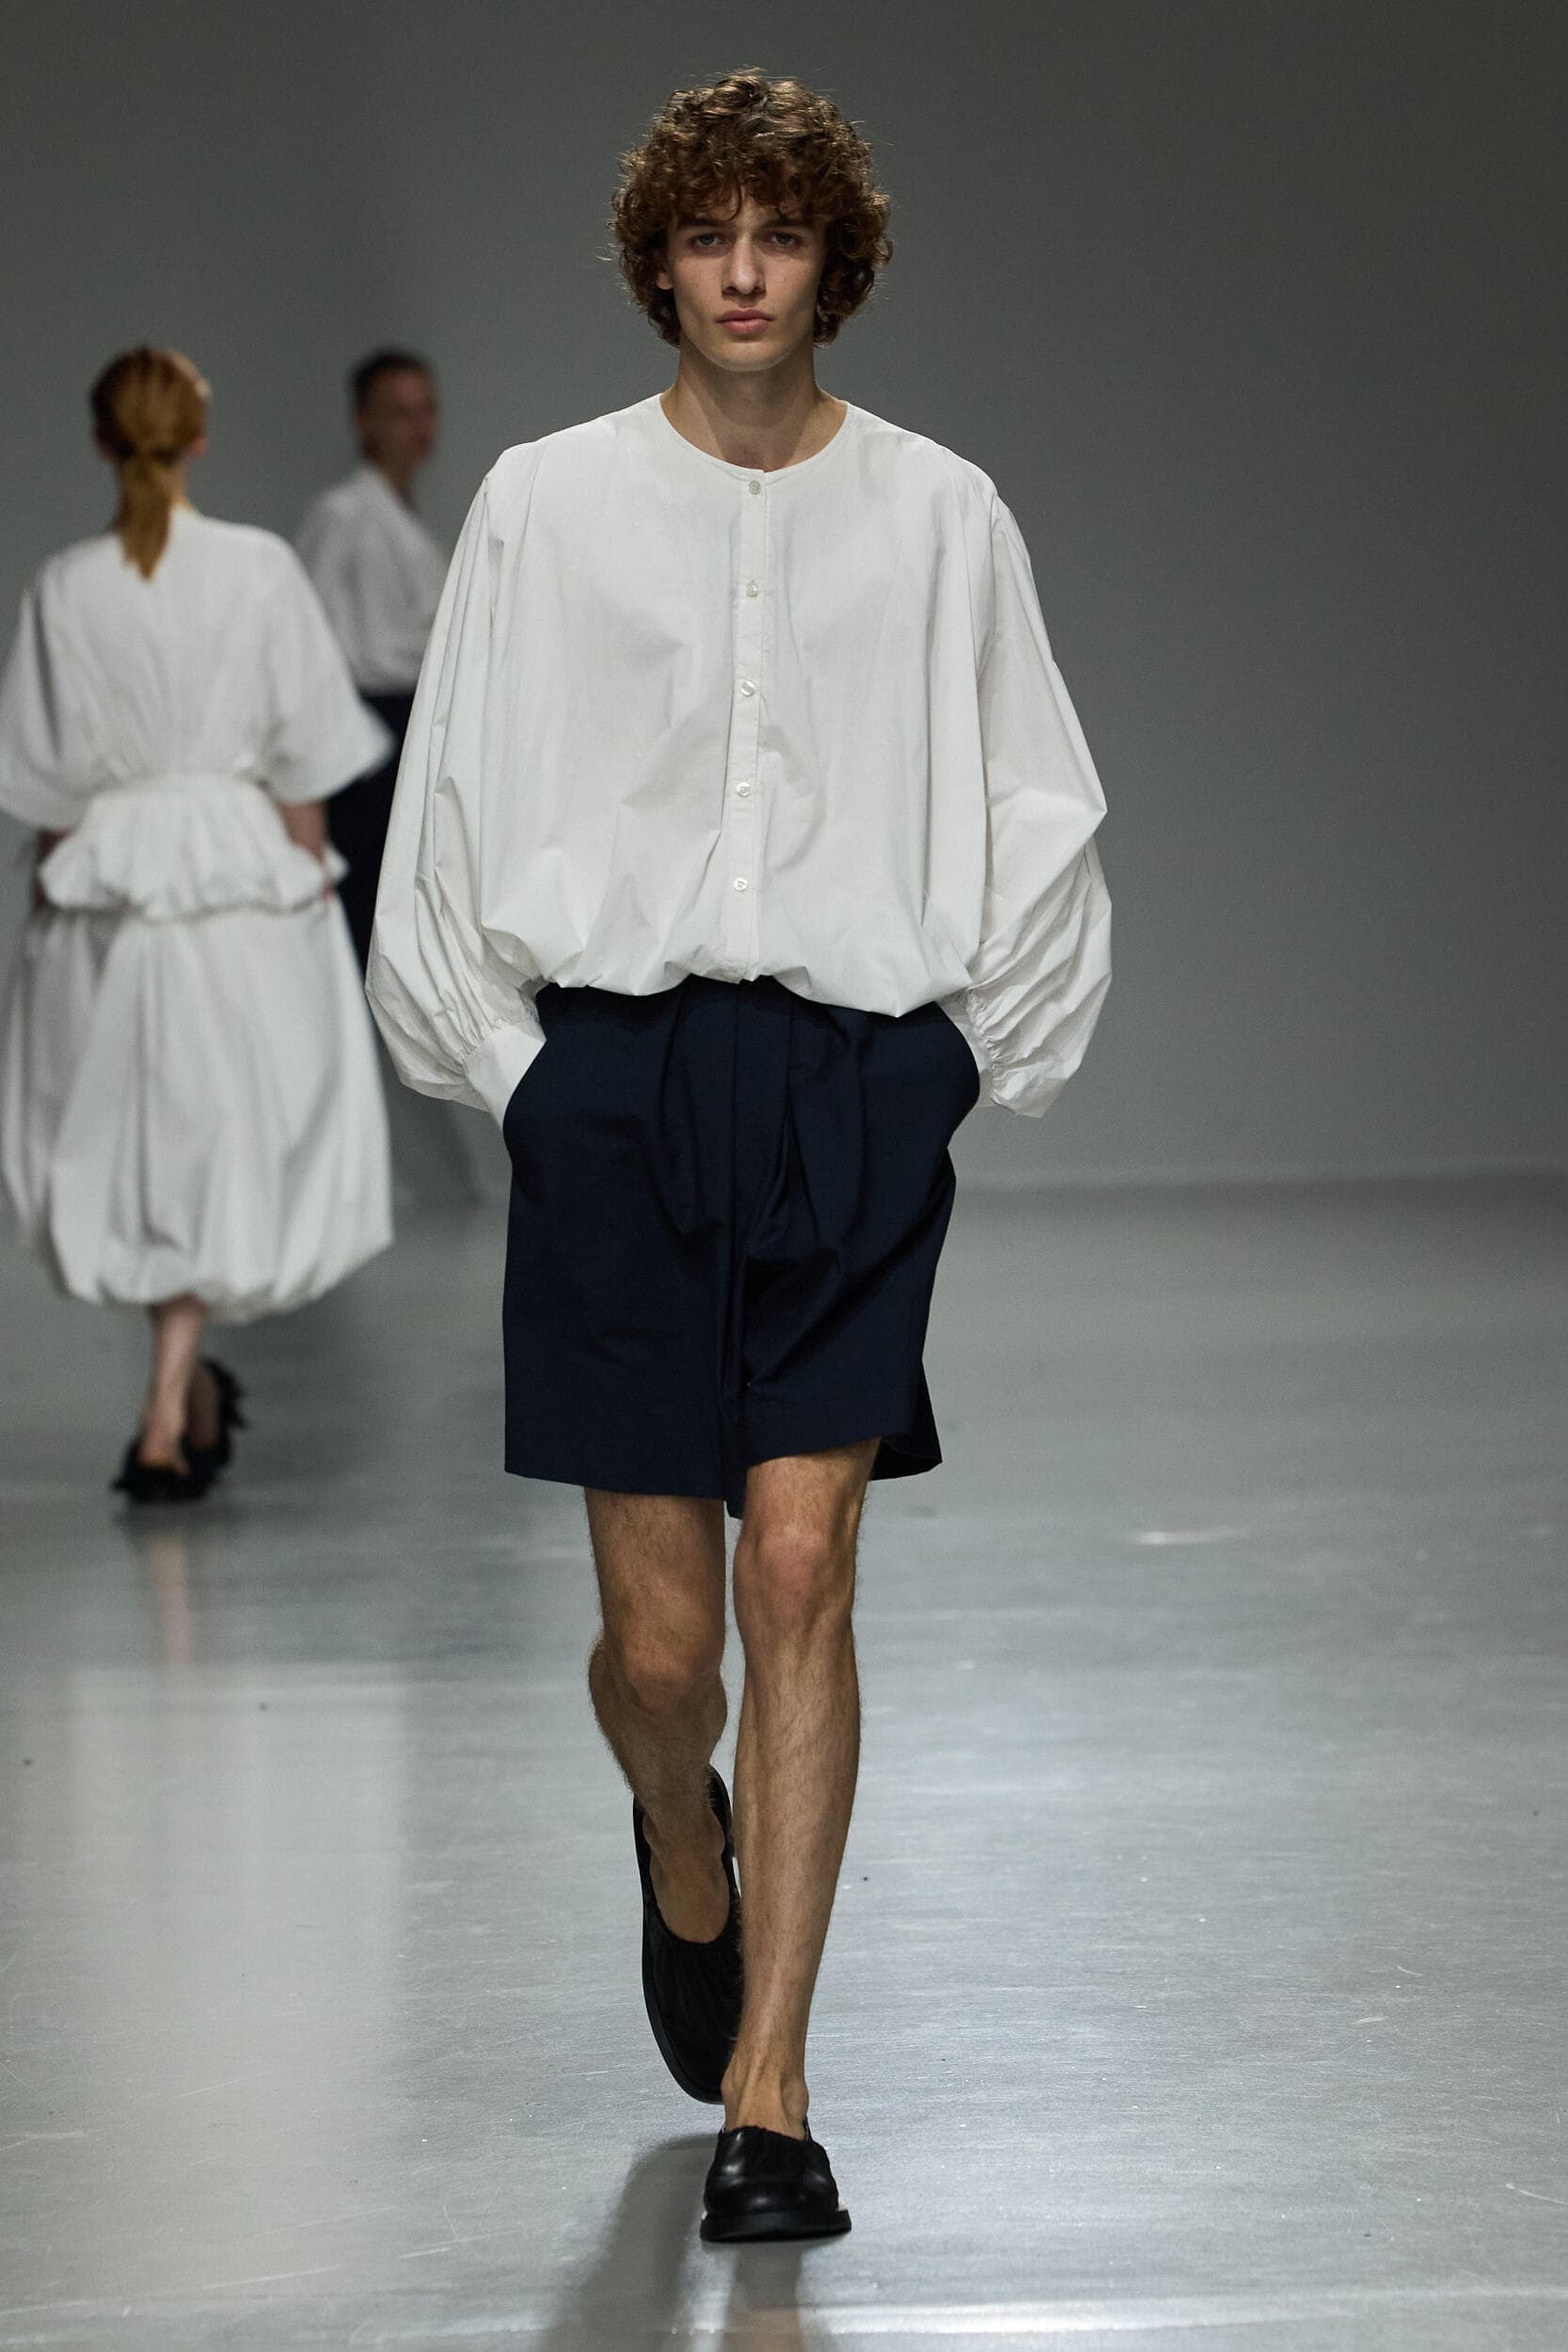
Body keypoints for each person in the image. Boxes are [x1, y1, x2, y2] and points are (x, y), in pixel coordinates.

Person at [369, 71, 1112, 2242]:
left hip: (850, 1081)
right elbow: (456, 800)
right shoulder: (545, 502)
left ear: (833, 262)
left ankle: (769, 2092)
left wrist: (953, 1057)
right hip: (613, 1076)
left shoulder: (942, 514)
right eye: (707, 235)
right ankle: (678, 1836)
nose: (744, 271)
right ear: (659, 263)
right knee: (662, 1648)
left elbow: (1039, 801)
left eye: (780, 233)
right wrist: (520, 1076)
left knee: (800, 1570)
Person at [0, 346, 393, 1502]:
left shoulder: (67, 585)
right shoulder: (259, 569)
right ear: (199, 439)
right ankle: (175, 1401)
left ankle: (176, 1396)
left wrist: (55, 879)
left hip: (112, 872)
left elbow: (49, 772)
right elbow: (304, 744)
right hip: (234, 870)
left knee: (137, 1145)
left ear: (101, 441)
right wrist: (306, 865)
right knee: (219, 1141)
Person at [295, 349, 446, 969]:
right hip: (369, 736)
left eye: (426, 410)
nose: (418, 427)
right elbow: (310, 637)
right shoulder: (343, 516)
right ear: (365, 421)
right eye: (400, 412)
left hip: (407, 725)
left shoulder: (402, 519)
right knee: (367, 913)